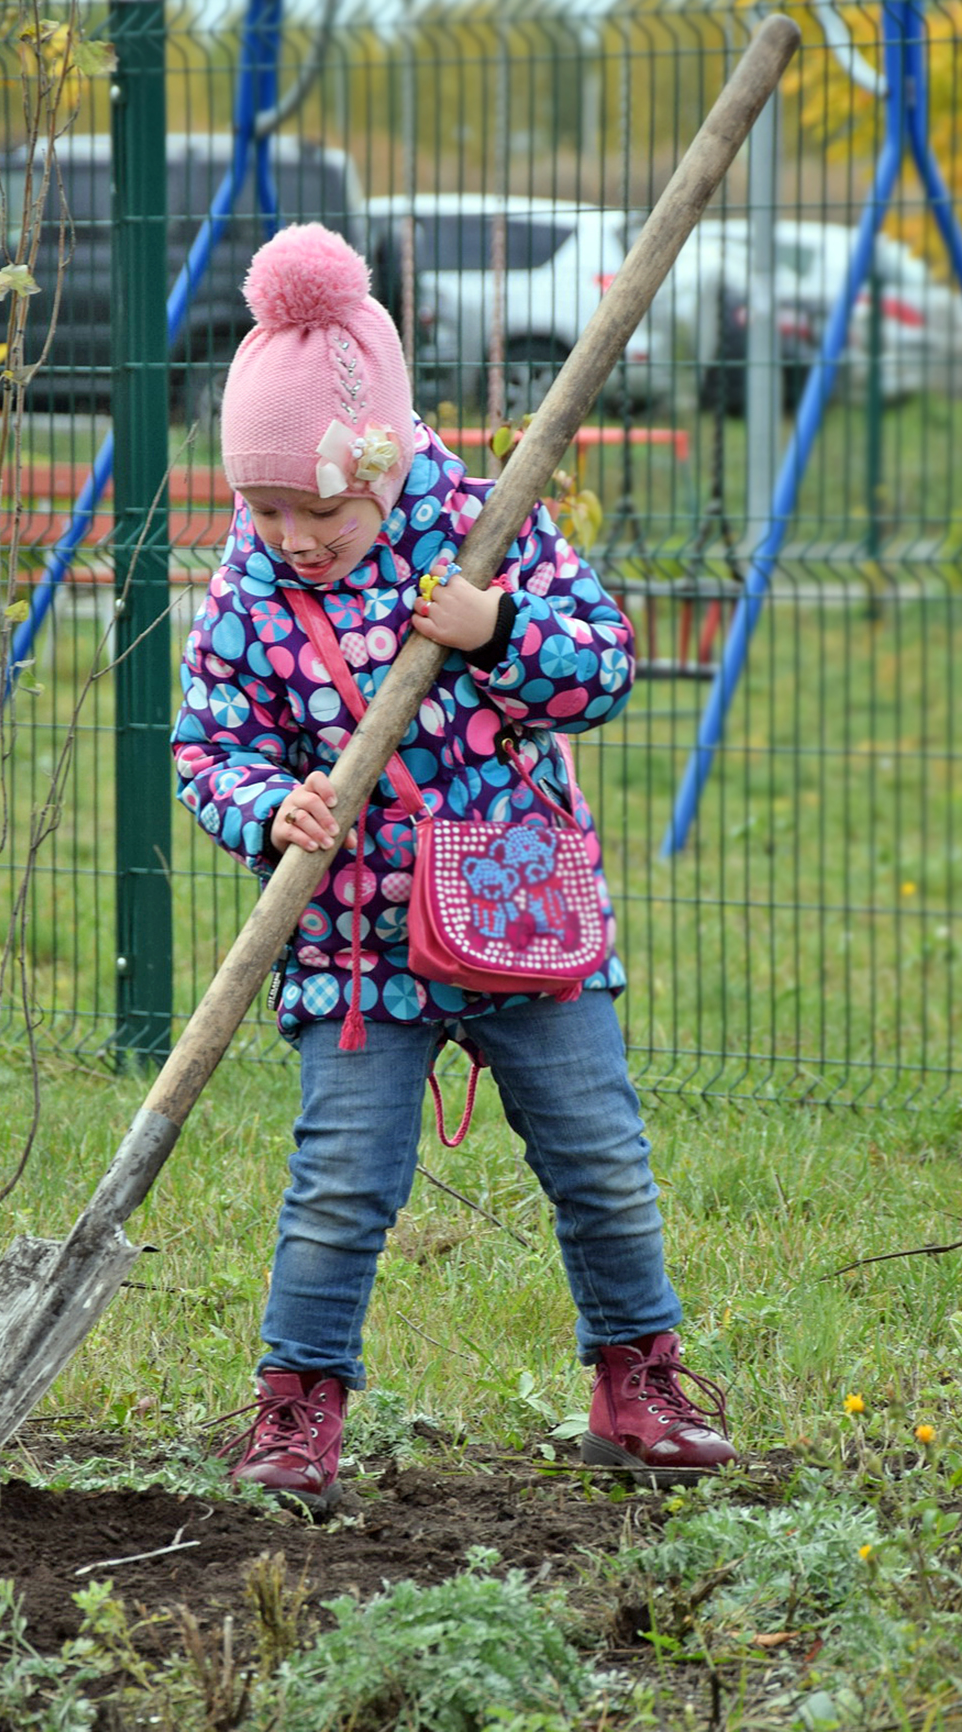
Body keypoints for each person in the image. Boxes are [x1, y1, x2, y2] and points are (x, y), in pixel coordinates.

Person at [170, 223, 731, 1512]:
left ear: (388, 465)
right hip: (353, 949)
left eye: (323, 508)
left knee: (600, 1155)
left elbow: (602, 671)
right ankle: (297, 1410)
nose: (295, 536)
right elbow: (212, 748)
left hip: (521, 912)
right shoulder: (248, 589)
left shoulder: (488, 533)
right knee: (338, 1186)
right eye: (264, 507)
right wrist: (269, 808)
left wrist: (495, 631)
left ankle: (636, 1383)